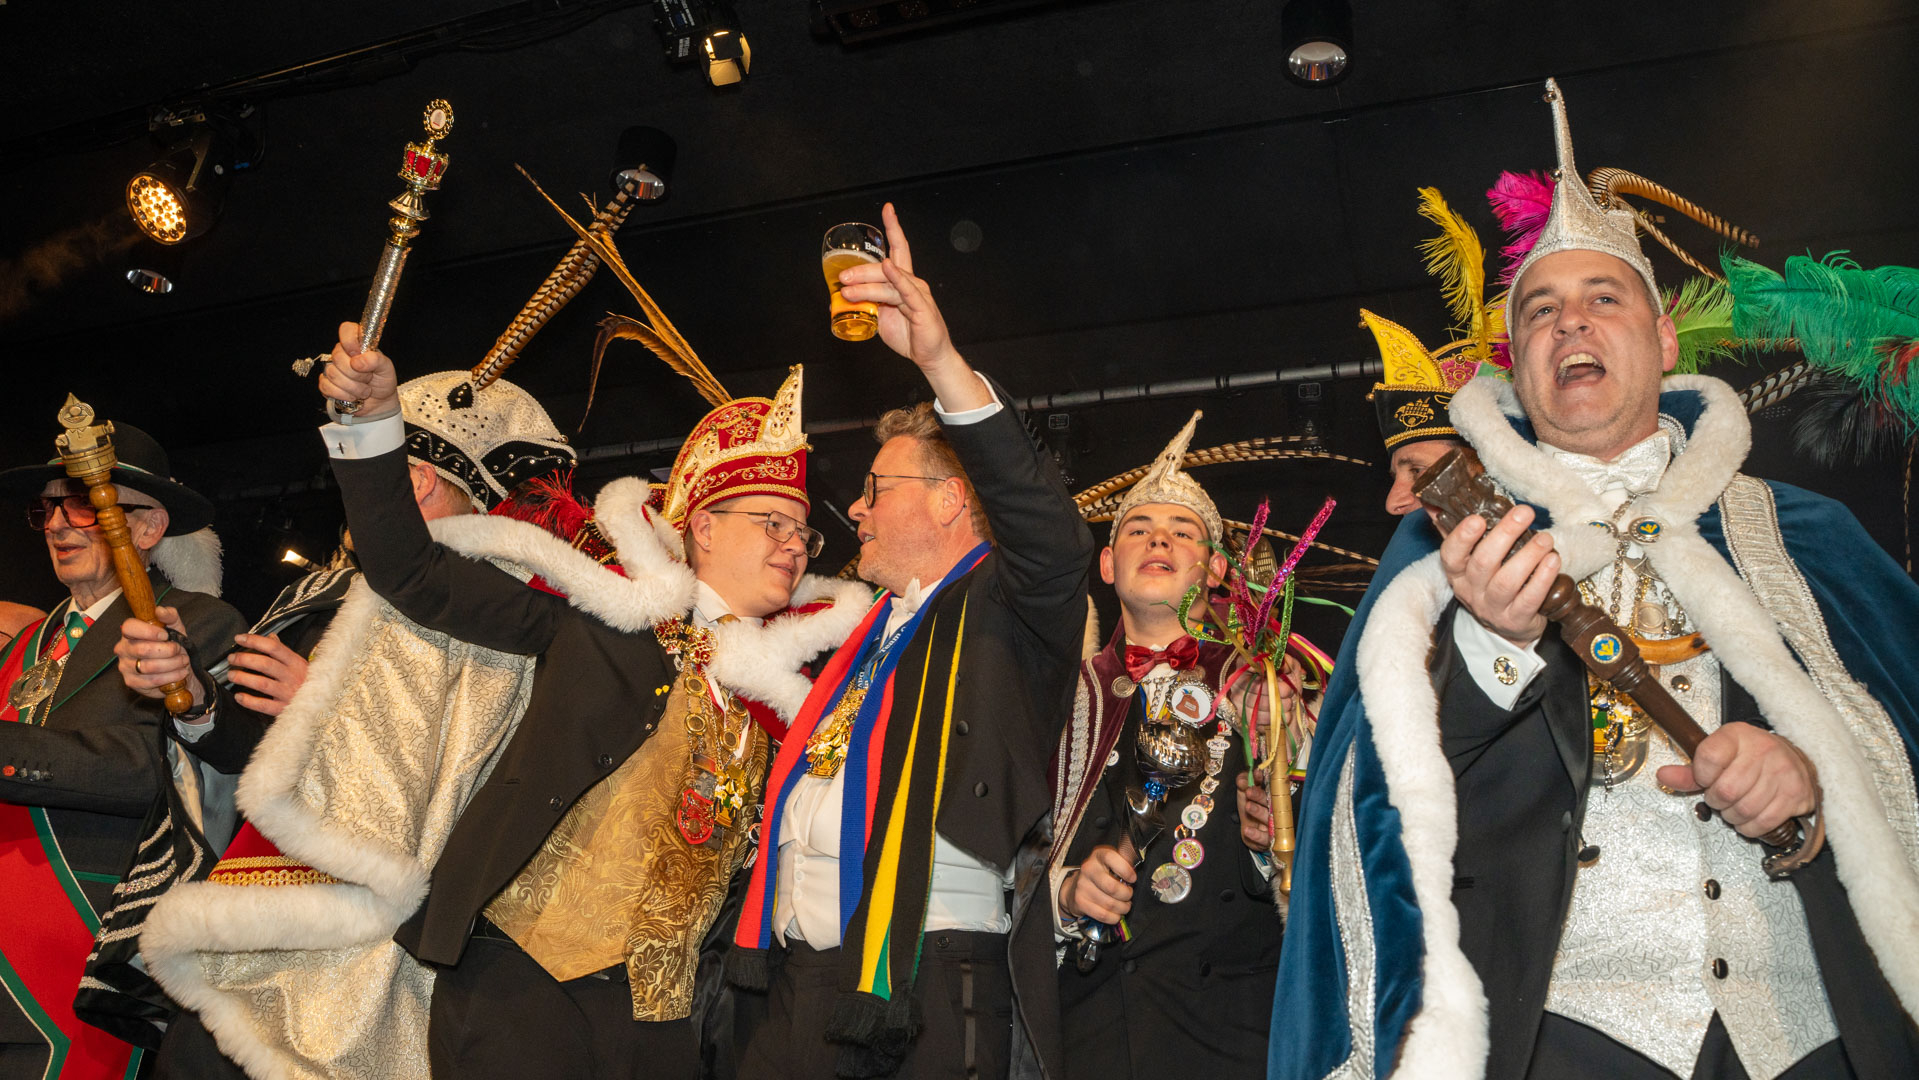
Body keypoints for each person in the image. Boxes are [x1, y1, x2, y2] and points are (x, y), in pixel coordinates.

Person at [1271, 79, 1919, 1080]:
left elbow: (1901, 750)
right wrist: (1487, 649)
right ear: (1516, 364)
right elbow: (1370, 809)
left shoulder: (1802, 536)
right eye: (1540, 311)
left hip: (1804, 1035)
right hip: (1561, 1033)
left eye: (1601, 299)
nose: (1569, 325)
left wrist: (1810, 784)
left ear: (1662, 342)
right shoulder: (1441, 552)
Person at [121, 366, 577, 1079]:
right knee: (198, 1056)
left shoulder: (509, 617)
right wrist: (194, 693)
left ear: (414, 481)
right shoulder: (327, 596)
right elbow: (253, 748)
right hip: (263, 904)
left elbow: (483, 786)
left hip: (390, 945)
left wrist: (333, 709)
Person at [727, 202, 1095, 1080]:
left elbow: (1051, 537)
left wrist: (938, 361)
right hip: (798, 975)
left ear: (949, 499)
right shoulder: (859, 636)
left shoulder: (1007, 607)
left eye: (875, 488)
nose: (854, 510)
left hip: (923, 972)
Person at [1048, 411, 1325, 1080]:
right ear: (1107, 564)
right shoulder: (1059, 698)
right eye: (1137, 528)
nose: (1158, 538)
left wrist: (1272, 837)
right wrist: (1064, 894)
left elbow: (1335, 850)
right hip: (1086, 1025)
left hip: (1231, 1031)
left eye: (1182, 530)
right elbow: (1005, 851)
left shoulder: (1270, 683)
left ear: (1218, 567)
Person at [0, 420, 246, 1080]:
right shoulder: (26, 645)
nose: (58, 524)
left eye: (83, 504)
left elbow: (157, 768)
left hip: (88, 933)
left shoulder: (200, 623)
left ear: (147, 527)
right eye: (47, 509)